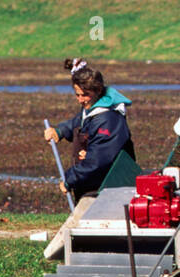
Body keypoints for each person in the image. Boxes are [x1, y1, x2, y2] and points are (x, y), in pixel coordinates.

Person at [42, 57, 136, 202]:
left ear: (97, 91)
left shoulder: (108, 119)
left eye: (85, 95)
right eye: (77, 95)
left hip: (109, 187)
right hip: (94, 182)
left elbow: (96, 161)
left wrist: (70, 180)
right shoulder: (92, 108)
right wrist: (60, 131)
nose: (80, 100)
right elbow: (80, 121)